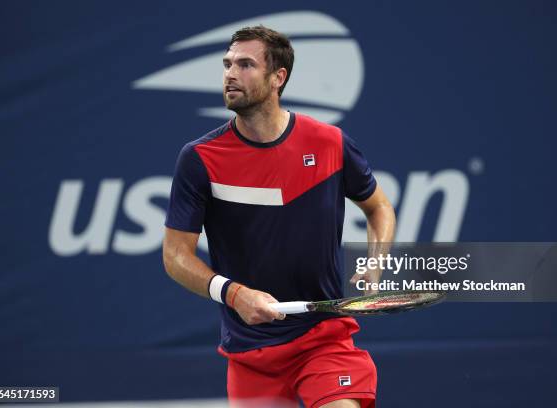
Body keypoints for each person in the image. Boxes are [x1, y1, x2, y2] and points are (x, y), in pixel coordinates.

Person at [163, 25, 395, 408]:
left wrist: (376, 258)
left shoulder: (329, 143)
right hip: (250, 352)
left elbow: (379, 207)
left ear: (278, 78)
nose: (230, 74)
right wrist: (234, 294)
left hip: (322, 338)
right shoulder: (199, 158)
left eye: (246, 64)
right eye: (227, 64)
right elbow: (175, 256)